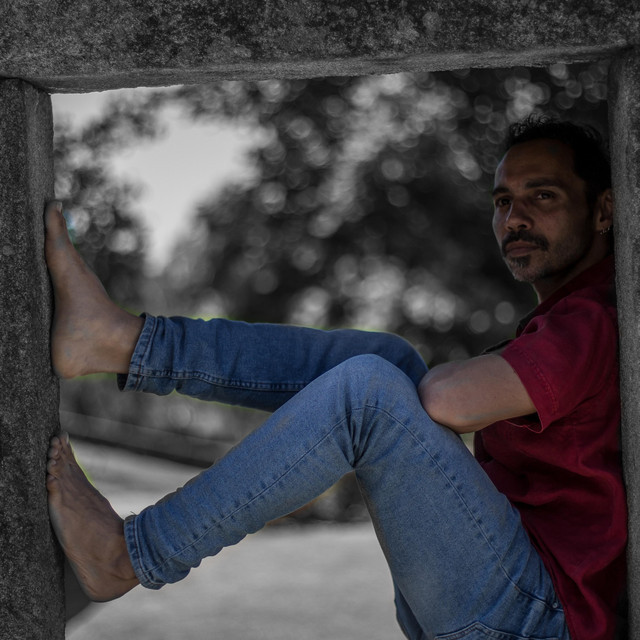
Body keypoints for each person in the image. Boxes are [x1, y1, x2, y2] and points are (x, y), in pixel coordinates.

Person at [45, 116, 626, 640]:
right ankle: (124, 344)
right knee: (390, 360)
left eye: (542, 196)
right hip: (512, 594)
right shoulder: (570, 315)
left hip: (537, 617)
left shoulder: (591, 319)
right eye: (503, 200)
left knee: (370, 392)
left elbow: (449, 399)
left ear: (603, 211)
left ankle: (131, 555)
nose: (514, 218)